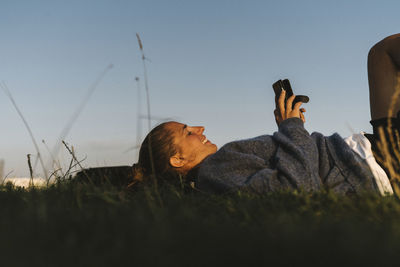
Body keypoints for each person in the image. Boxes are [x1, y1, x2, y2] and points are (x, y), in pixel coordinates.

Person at [130, 33, 400, 195]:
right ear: (177, 159)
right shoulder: (214, 170)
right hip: (368, 162)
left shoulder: (213, 177)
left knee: (380, 54)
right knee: (383, 53)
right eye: (186, 132)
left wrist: (296, 133)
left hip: (366, 160)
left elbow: (294, 173)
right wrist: (291, 126)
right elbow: (297, 187)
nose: (199, 129)